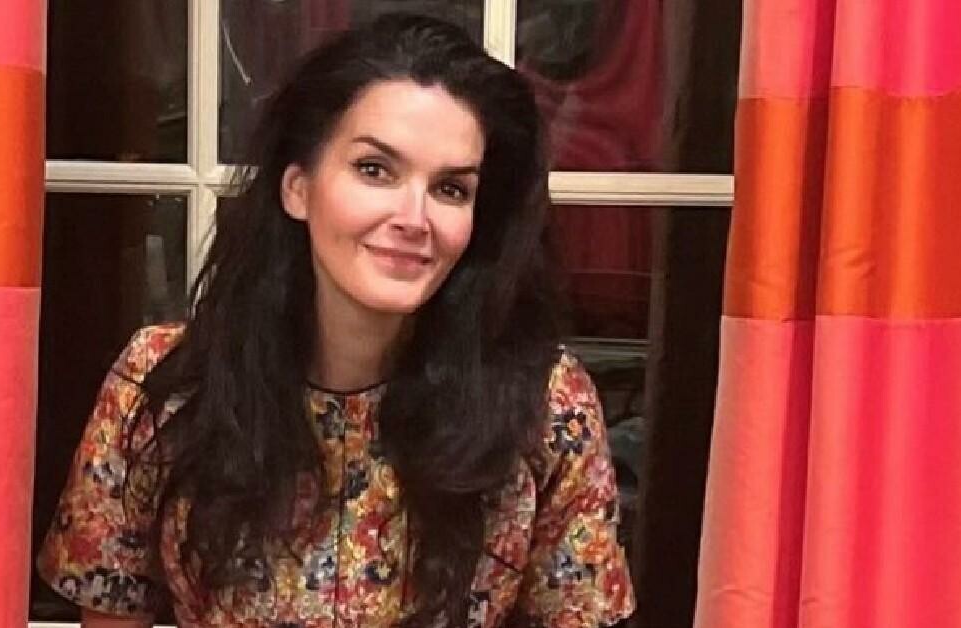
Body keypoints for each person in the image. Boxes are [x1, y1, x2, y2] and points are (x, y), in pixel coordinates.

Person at [38, 13, 635, 628]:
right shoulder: (164, 383)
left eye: (451, 189)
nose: (414, 218)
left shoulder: (545, 402)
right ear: (297, 188)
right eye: (375, 170)